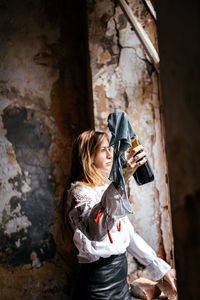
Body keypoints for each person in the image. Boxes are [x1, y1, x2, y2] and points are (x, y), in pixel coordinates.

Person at [61, 130, 177, 300]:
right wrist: (123, 176)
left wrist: (162, 269)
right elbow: (95, 229)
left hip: (120, 283)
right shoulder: (79, 193)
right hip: (99, 287)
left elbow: (128, 235)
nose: (110, 154)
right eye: (103, 150)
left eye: (110, 149)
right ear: (88, 155)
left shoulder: (105, 189)